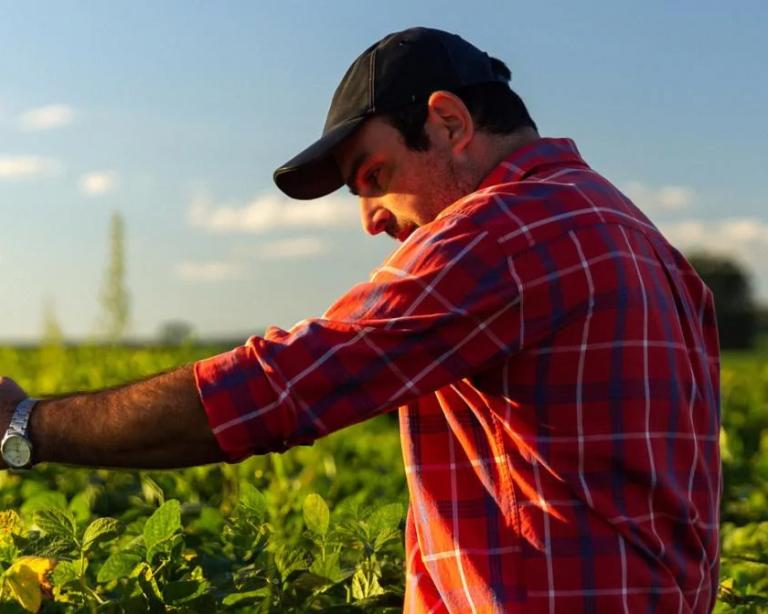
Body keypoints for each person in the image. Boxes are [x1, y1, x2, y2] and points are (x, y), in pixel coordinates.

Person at [0, 27, 720, 613]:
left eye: (372, 176)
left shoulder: (507, 231)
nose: (371, 219)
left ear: (448, 122)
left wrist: (25, 426)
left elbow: (281, 388)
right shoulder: (637, 235)